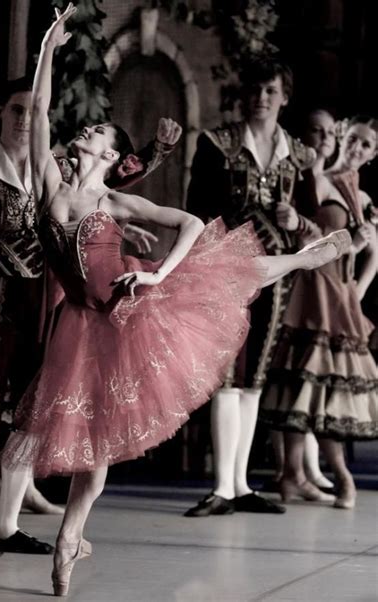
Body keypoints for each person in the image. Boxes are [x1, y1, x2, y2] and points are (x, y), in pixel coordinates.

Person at [1, 6, 351, 595]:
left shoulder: (113, 202)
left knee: (221, 270)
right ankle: (66, 532)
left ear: (111, 156)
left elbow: (190, 223)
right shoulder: (50, 184)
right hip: (81, 325)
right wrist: (45, 53)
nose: (83, 133)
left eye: (95, 134)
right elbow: (39, 113)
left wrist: (158, 275)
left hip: (132, 305)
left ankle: (297, 257)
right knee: (91, 438)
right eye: (86, 131)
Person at [0, 74, 175, 551]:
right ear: (1, 114)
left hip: (49, 298)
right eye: (17, 109)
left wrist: (118, 229)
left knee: (31, 409)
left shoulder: (58, 165)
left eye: (33, 111)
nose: (26, 118)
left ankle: (12, 521)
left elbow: (108, 188)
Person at [184, 57, 324, 517]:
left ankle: (240, 484)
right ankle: (223, 484)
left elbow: (316, 227)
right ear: (243, 95)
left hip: (277, 277)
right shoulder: (216, 144)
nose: (261, 99)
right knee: (228, 374)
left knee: (255, 378)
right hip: (226, 273)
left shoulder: (301, 156)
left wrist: (297, 220)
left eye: (270, 91)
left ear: (284, 96)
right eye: (255, 90)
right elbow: (197, 212)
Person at [260, 115, 378, 509]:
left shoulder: (362, 199)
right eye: (354, 139)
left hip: (338, 296)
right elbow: (308, 234)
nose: (356, 148)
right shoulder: (320, 178)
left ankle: (337, 476)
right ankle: (293, 473)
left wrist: (354, 295)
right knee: (302, 384)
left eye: (366, 145)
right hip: (312, 287)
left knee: (325, 390)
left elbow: (371, 256)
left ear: (373, 154)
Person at [268, 109, 338, 494]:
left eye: (330, 131)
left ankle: (306, 469)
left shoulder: (332, 178)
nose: (324, 137)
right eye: (316, 130)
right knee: (289, 371)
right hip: (297, 276)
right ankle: (288, 469)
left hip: (324, 283)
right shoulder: (297, 173)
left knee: (310, 376)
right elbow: (303, 227)